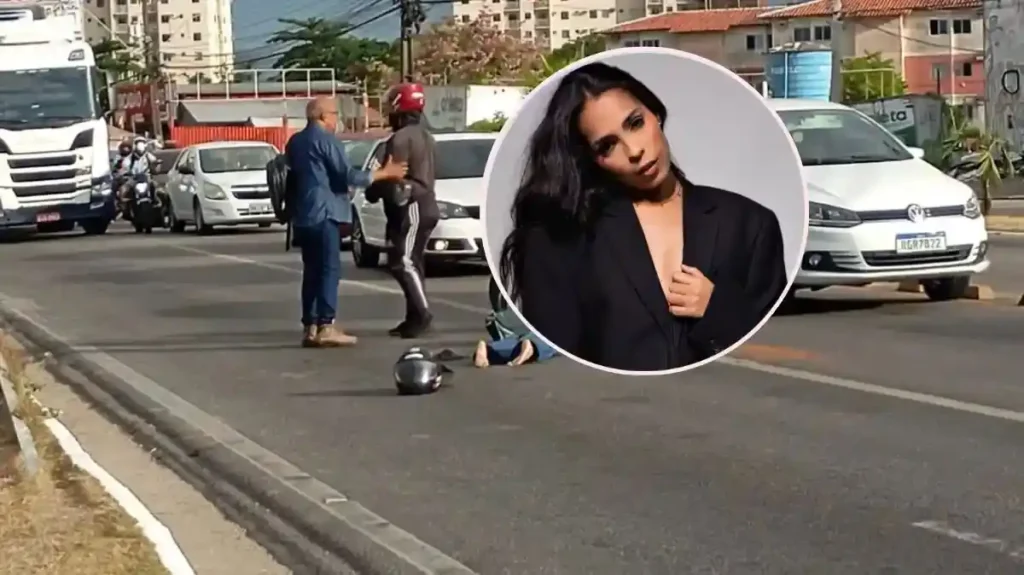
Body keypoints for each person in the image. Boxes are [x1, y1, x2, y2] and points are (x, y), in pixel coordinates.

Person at [497, 62, 788, 372]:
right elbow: (553, 357)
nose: (634, 151)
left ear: (655, 114)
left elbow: (782, 348)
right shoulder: (562, 237)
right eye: (608, 146)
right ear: (591, 159)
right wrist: (512, 351)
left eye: (635, 123)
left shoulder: (750, 225)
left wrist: (716, 308)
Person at [287, 96, 407, 348]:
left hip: (303, 214)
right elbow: (347, 175)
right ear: (322, 116)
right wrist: (385, 173)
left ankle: (310, 325)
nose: (336, 119)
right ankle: (326, 325)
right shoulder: (327, 141)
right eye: (334, 114)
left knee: (311, 271)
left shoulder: (296, 141)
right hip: (325, 211)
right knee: (329, 269)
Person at [365, 82, 439, 339]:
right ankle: (413, 317)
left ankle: (422, 313)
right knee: (413, 262)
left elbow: (391, 175)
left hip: (412, 204)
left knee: (403, 261)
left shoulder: (400, 138)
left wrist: (373, 190)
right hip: (424, 203)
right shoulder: (425, 136)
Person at [473, 278, 557, 368]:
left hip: (503, 312)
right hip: (529, 310)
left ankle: (489, 350)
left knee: (512, 340)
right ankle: (532, 346)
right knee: (550, 341)